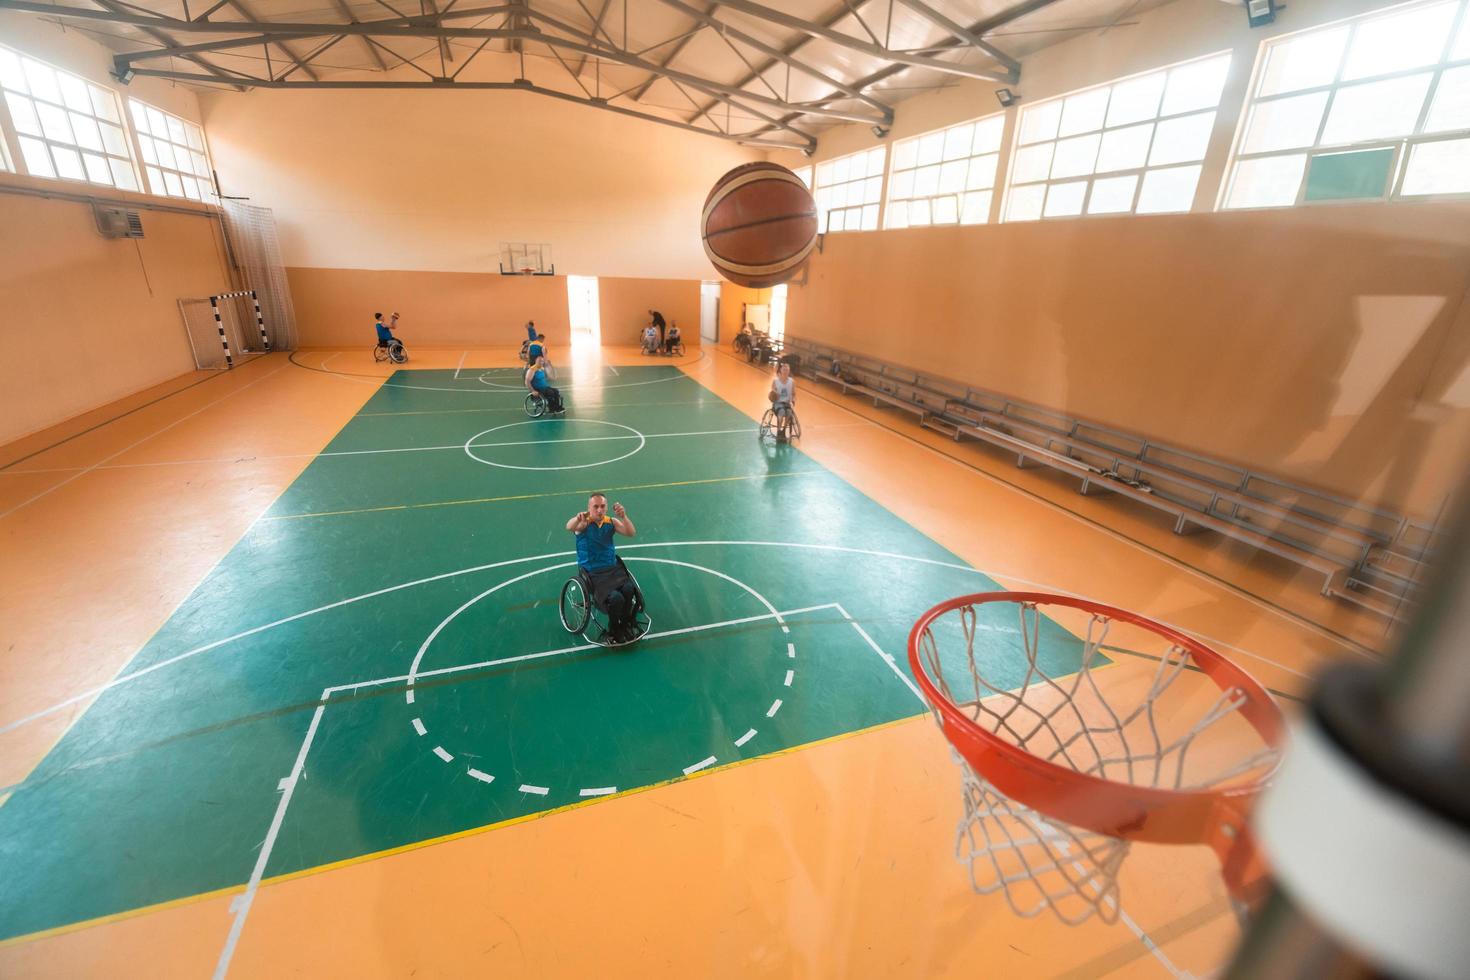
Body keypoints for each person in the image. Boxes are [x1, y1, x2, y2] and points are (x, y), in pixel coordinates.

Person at [566, 495, 639, 643]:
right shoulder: (584, 524)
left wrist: (624, 516)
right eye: (595, 506)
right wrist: (577, 518)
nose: (599, 510)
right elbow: (569, 526)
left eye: (602, 506)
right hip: (593, 573)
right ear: (589, 508)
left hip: (612, 569)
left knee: (629, 589)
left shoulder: (611, 522)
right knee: (616, 598)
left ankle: (624, 623)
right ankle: (614, 629)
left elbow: (631, 533)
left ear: (606, 507)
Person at [769, 361, 796, 442]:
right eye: (784, 370)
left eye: (787, 370)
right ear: (780, 370)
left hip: (787, 403)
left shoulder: (792, 381)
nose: (785, 371)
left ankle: (783, 431)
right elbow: (772, 393)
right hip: (778, 403)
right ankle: (779, 431)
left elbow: (794, 393)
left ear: (789, 371)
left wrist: (793, 399)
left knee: (788, 413)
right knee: (781, 412)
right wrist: (775, 394)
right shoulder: (775, 381)